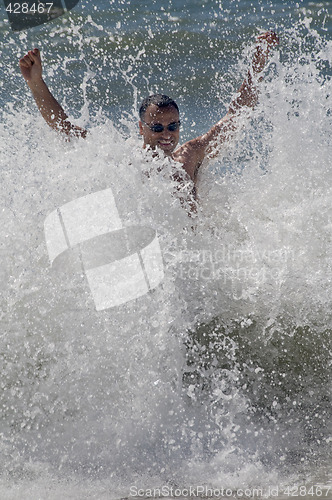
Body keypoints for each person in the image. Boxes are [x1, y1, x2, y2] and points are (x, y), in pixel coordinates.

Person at [19, 32, 278, 193]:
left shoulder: (190, 156)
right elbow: (65, 128)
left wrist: (257, 64)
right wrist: (35, 83)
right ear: (141, 128)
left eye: (173, 126)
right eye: (157, 128)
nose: (167, 134)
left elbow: (236, 116)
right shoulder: (125, 159)